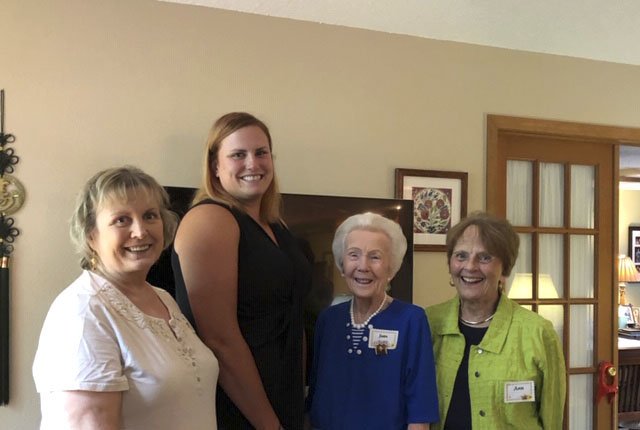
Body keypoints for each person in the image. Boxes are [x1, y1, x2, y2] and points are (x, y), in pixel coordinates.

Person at [32, 166, 218, 429]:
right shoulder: (84, 311)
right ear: (91, 235)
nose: (140, 231)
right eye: (122, 220)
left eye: (150, 215)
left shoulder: (163, 298)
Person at [172, 112, 311, 429]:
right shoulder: (210, 219)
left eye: (261, 152)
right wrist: (268, 424)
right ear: (215, 167)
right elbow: (218, 339)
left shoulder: (276, 226)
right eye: (238, 154)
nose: (253, 163)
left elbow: (293, 316)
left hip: (283, 400)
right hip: (239, 407)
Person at [426, 211, 566, 429]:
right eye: (461, 255)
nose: (470, 267)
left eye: (484, 257)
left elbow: (552, 419)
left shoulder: (538, 332)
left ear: (505, 268)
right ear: (450, 263)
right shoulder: (427, 324)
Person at [308, 212, 439, 429]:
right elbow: (317, 395)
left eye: (375, 257)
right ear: (342, 264)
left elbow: (420, 407)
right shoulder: (329, 319)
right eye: (353, 255)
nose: (363, 266)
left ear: (391, 267)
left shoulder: (411, 320)